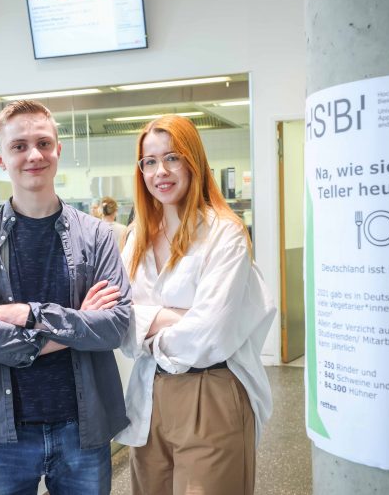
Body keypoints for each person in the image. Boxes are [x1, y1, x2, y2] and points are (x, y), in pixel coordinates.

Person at [0, 100, 131, 495]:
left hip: (83, 430)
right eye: (19, 146)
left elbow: (116, 326)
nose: (33, 155)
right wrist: (76, 323)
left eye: (43, 143)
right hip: (7, 434)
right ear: (1, 157)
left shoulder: (96, 236)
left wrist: (27, 313)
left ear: (58, 151)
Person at [115, 114, 276, 495]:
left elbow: (209, 337)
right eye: (150, 161)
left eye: (172, 157)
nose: (160, 171)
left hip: (212, 391)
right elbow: (119, 324)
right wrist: (178, 318)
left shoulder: (224, 232)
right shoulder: (137, 236)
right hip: (149, 394)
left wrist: (147, 325)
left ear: (193, 161)